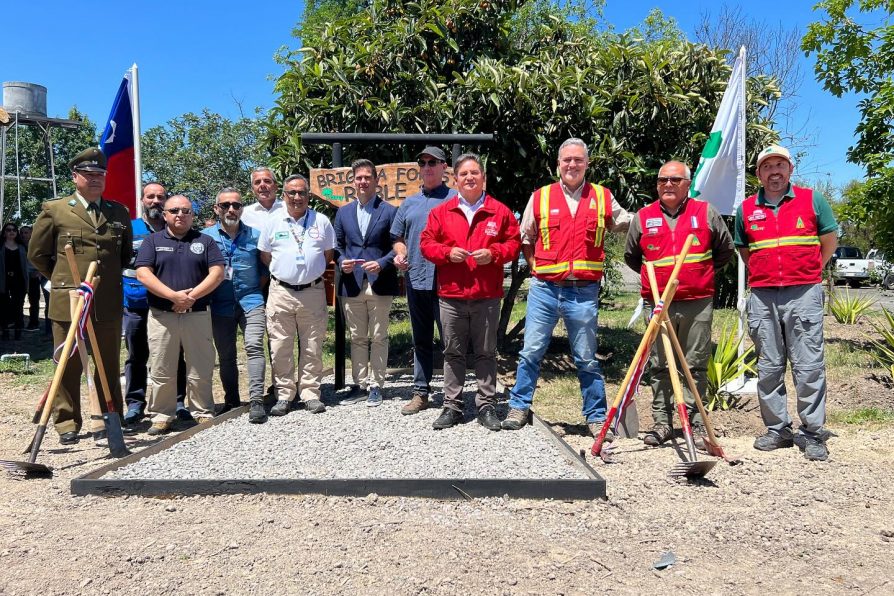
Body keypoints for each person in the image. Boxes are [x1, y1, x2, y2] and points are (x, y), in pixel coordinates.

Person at [502, 138, 631, 437]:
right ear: (558, 164)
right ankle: (518, 407)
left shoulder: (602, 197)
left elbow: (627, 222)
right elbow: (526, 237)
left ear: (587, 163)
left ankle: (596, 417)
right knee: (531, 351)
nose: (572, 165)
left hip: (583, 292)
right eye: (566, 160)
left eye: (578, 160)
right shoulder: (541, 197)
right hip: (545, 290)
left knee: (586, 357)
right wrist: (535, 267)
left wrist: (654, 219)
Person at [735, 144, 838, 461]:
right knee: (768, 367)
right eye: (767, 166)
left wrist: (810, 270)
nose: (774, 171)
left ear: (790, 169)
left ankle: (812, 433)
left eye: (780, 164)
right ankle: (778, 430)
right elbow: (744, 250)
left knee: (808, 367)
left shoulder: (812, 200)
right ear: (759, 174)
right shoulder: (746, 209)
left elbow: (829, 240)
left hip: (803, 293)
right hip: (763, 296)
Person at [624, 160, 735, 448]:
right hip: (659, 302)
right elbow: (632, 257)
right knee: (660, 364)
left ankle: (695, 424)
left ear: (687, 184)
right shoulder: (644, 216)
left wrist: (698, 276)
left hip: (697, 303)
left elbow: (724, 251)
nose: (668, 185)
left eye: (675, 180)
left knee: (694, 365)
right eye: (662, 180)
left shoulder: (705, 212)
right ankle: (662, 423)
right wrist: (656, 281)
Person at [28, 147, 133, 445]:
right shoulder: (56, 210)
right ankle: (67, 423)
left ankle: (111, 416)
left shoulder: (118, 212)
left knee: (109, 364)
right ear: (75, 177)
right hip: (69, 300)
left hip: (108, 300)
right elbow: (37, 255)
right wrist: (63, 281)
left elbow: (123, 255)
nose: (96, 179)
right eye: (89, 175)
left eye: (100, 175)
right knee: (68, 363)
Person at [420, 153, 521, 430]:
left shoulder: (500, 212)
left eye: (474, 173)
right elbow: (426, 244)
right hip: (451, 296)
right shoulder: (441, 212)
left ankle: (486, 406)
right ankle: (452, 406)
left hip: (486, 295)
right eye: (463, 174)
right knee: (452, 352)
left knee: (486, 352)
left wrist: (495, 253)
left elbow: (514, 244)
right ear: (455, 179)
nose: (469, 178)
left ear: (483, 178)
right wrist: (446, 253)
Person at [135, 195, 225, 435]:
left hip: (197, 313)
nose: (180, 215)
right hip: (163, 315)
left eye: (186, 211)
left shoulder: (205, 241)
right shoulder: (152, 241)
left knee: (201, 366)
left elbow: (217, 273)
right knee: (161, 366)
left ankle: (203, 412)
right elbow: (143, 274)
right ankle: (162, 415)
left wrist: (190, 297)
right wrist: (174, 297)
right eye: (174, 210)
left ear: (192, 215)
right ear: (164, 214)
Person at [258, 174, 334, 416]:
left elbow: (328, 255)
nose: (297, 197)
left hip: (312, 291)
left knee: (313, 345)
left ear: (308, 195)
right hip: (281, 291)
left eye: (302, 192)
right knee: (280, 346)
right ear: (284, 195)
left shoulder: (321, 221)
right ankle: (284, 394)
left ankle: (310, 393)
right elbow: (265, 256)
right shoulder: (273, 222)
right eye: (292, 193)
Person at [391, 146, 458, 415]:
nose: (427, 166)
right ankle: (421, 393)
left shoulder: (456, 199)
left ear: (444, 168)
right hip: (416, 278)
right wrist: (400, 253)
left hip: (448, 281)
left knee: (451, 342)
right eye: (423, 162)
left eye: (433, 162)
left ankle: (454, 397)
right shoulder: (409, 203)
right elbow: (397, 237)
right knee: (420, 339)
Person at [122, 182, 188, 425]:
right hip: (136, 302)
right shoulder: (130, 229)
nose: (156, 201)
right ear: (142, 200)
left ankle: (178, 401)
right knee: (137, 355)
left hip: (168, 304)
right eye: (150, 197)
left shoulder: (176, 229)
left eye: (161, 197)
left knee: (174, 355)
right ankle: (135, 404)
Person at [334, 159, 398, 407]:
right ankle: (359, 385)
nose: (362, 182)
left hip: (379, 281)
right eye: (358, 178)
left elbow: (397, 246)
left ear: (376, 181)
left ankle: (376, 386)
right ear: (353, 181)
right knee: (357, 336)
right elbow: (337, 246)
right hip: (352, 283)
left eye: (367, 177)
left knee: (379, 336)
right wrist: (341, 262)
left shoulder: (390, 211)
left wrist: (382, 263)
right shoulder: (343, 212)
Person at [202, 188, 269, 423]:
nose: (231, 209)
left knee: (254, 347)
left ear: (242, 208)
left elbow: (264, 271)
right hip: (220, 304)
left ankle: (257, 401)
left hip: (251, 300)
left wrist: (252, 291)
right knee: (226, 354)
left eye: (236, 205)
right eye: (226, 205)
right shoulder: (205, 237)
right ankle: (231, 400)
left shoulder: (256, 236)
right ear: (216, 209)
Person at [0, 222, 28, 341]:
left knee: (18, 306)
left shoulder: (22, 247)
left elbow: (27, 264)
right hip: (3, 280)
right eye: (8, 230)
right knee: (3, 306)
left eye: (14, 230)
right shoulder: (0, 246)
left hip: (19, 280)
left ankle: (18, 331)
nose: (11, 232)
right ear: (4, 232)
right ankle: (5, 331)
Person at [242, 167, 284, 231]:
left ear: (276, 186)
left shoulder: (288, 209)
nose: (262, 185)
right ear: (252, 189)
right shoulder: (244, 214)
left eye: (267, 181)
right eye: (257, 182)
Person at [17, 225, 42, 332]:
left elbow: (43, 260)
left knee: (34, 301)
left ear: (31, 233)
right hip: (21, 276)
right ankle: (19, 322)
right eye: (22, 233)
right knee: (18, 301)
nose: (23, 235)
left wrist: (39, 272)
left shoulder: (37, 246)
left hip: (33, 276)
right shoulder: (18, 246)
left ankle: (34, 323)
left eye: (26, 232)